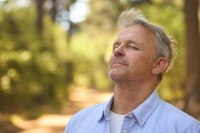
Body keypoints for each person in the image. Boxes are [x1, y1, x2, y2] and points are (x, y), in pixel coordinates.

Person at [64, 8, 200, 133]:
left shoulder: (186, 129)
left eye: (132, 47)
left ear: (158, 65)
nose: (117, 51)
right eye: (116, 45)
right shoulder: (77, 124)